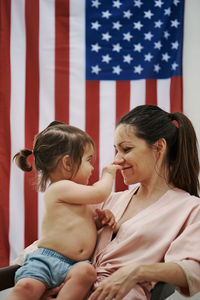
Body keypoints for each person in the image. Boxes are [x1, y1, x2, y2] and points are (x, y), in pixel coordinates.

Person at [13, 105, 200, 300]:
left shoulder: (190, 208)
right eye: (116, 151)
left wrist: (136, 271)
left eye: (126, 149)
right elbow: (59, 242)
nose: (117, 160)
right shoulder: (109, 201)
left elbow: (193, 268)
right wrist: (40, 283)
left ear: (159, 147)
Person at [6, 121, 121, 300]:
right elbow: (100, 193)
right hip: (46, 260)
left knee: (87, 272)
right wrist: (108, 174)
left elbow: (84, 224)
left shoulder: (79, 198)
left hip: (77, 264)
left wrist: (100, 220)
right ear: (67, 163)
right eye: (88, 160)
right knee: (27, 286)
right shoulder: (59, 189)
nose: (92, 168)